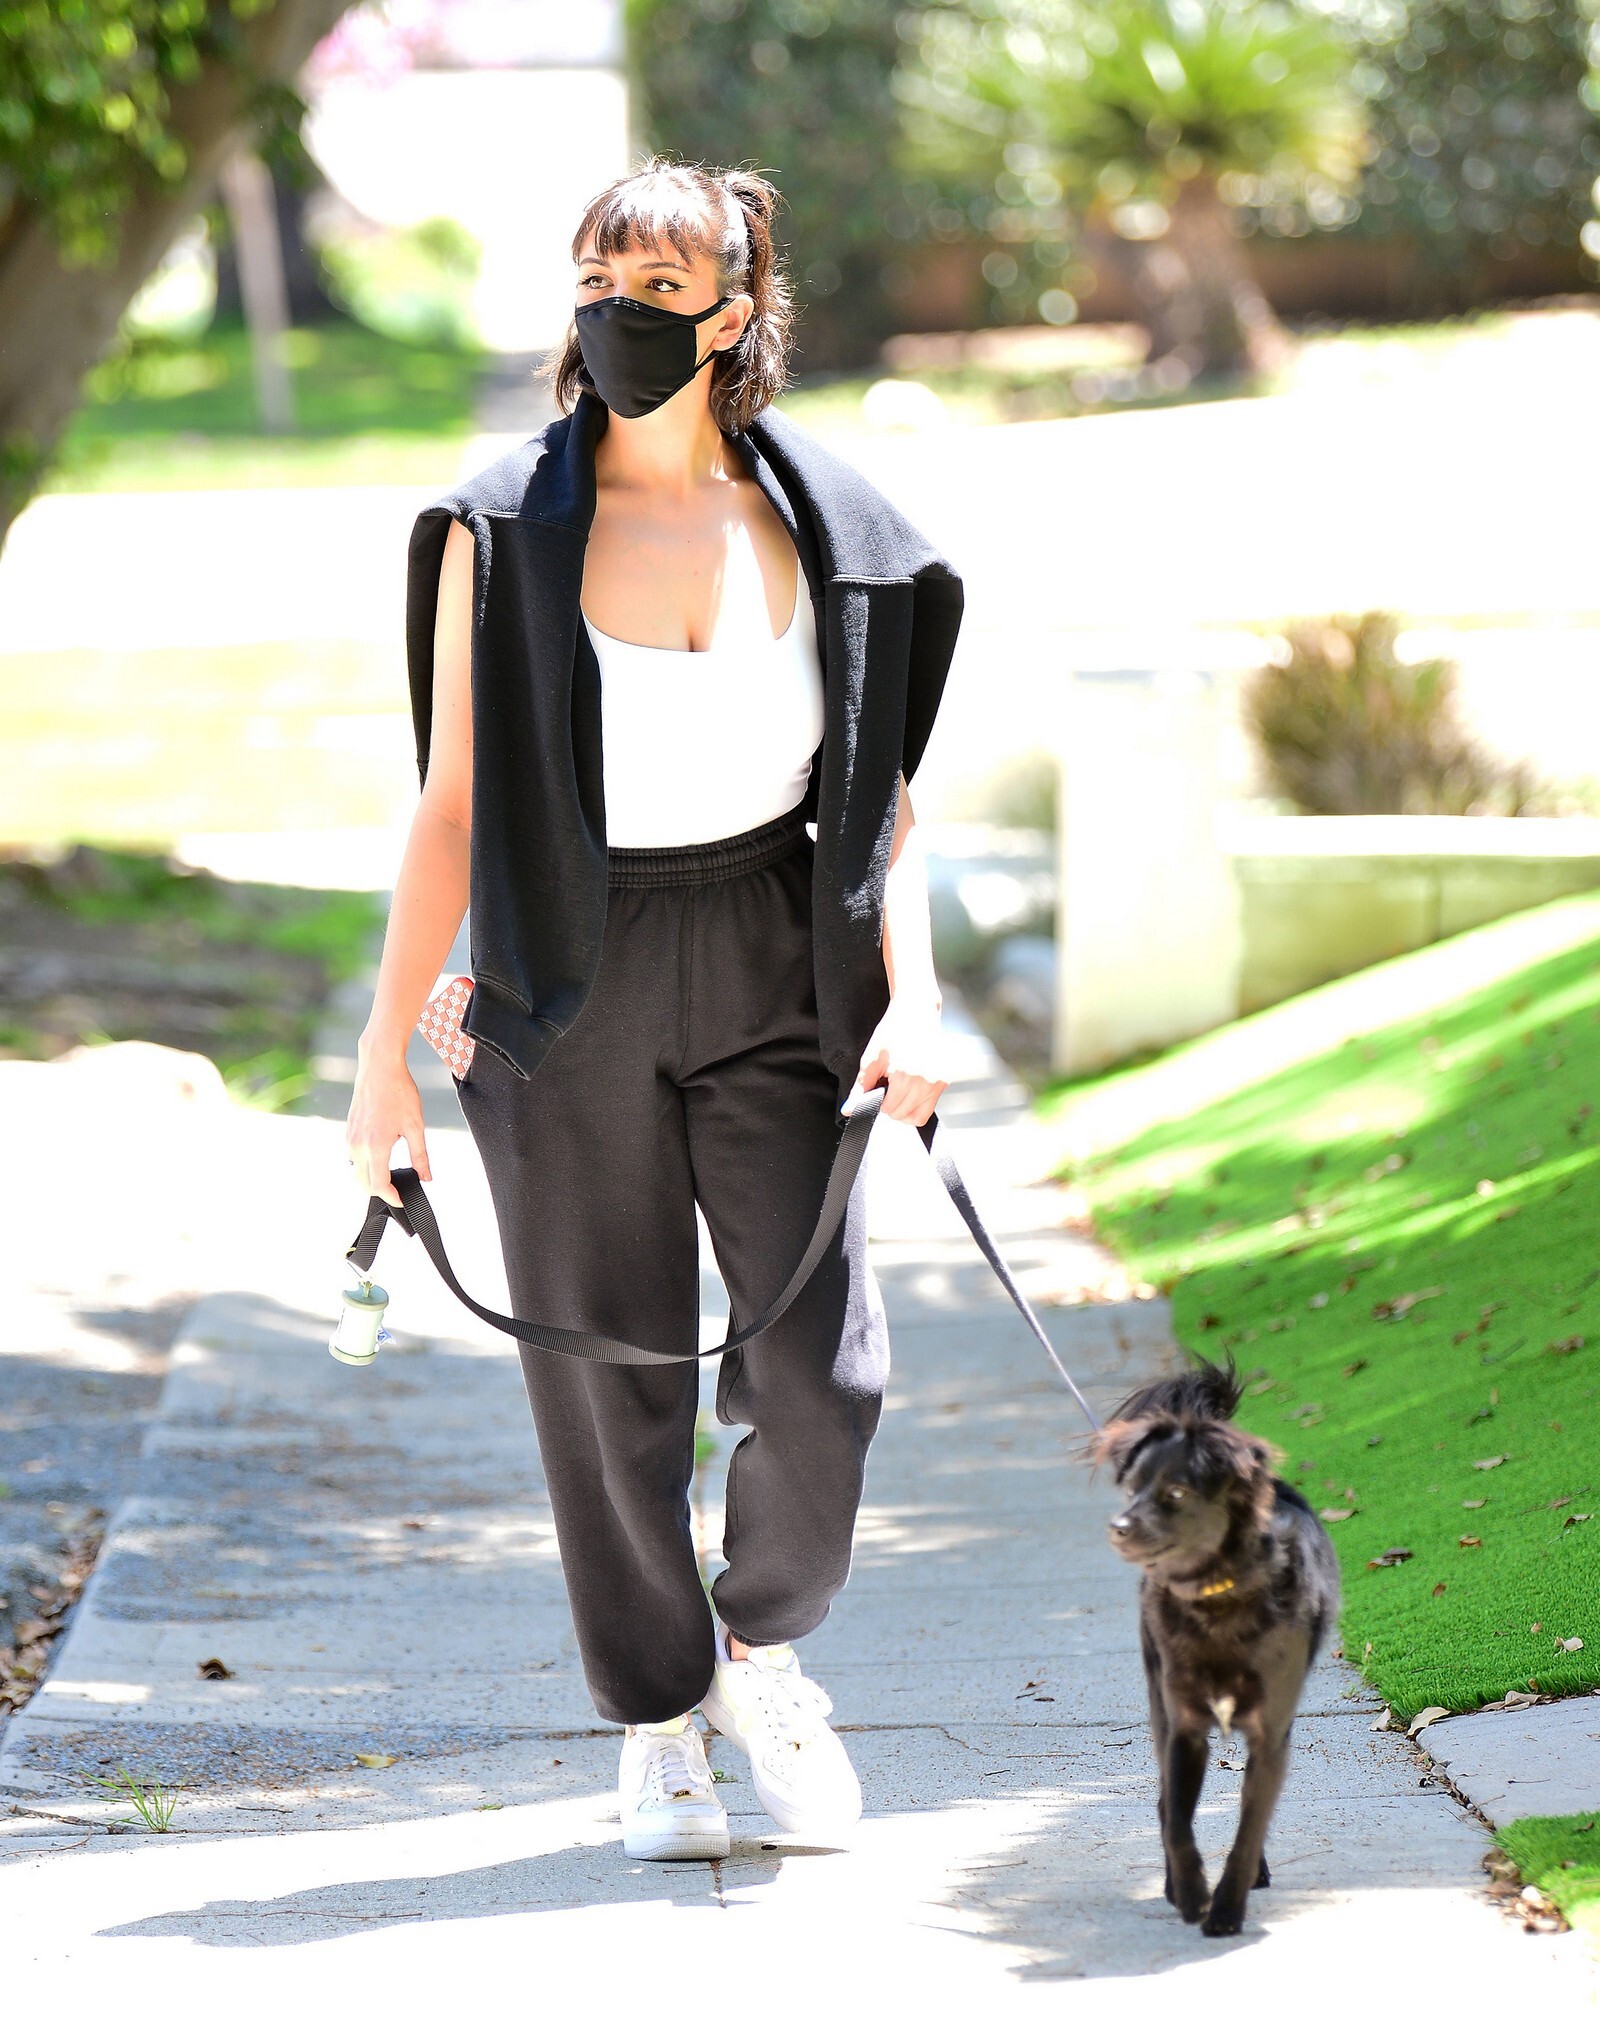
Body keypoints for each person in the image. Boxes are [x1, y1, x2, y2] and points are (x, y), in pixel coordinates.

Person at [346, 157, 964, 1863]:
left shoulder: (828, 530)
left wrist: (914, 998)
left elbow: (885, 801)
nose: (619, 309)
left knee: (820, 1371)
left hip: (778, 954)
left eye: (662, 284)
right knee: (604, 1378)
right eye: (597, 278)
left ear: (737, 313)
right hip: (568, 975)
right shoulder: (500, 533)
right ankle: (658, 1720)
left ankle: (759, 1654)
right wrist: (383, 1062)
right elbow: (451, 808)